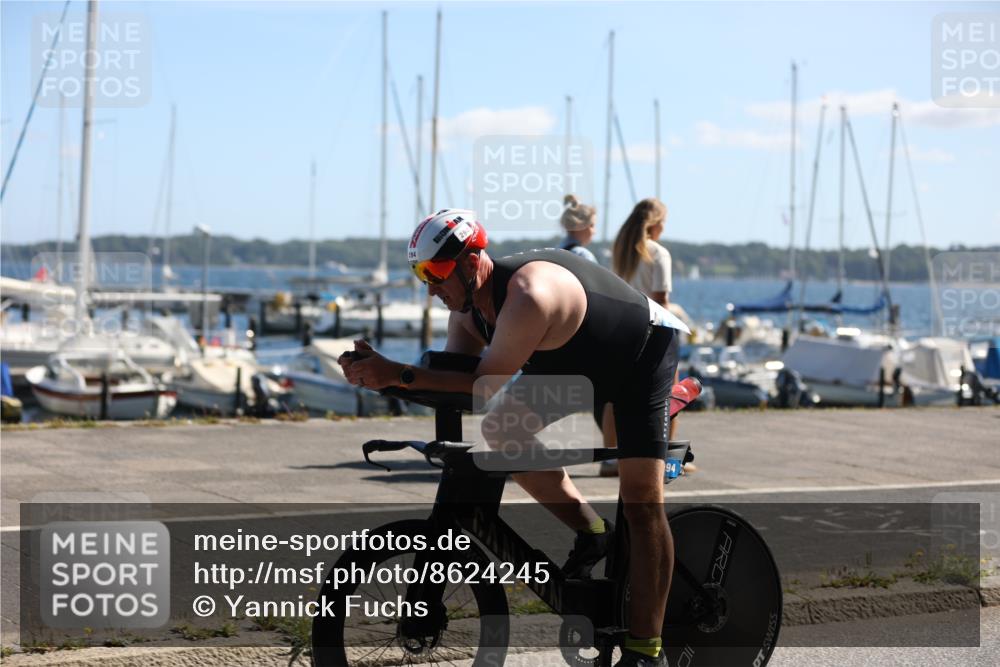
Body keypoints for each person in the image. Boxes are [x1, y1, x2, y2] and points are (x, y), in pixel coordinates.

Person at [340, 209, 689, 667]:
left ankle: (646, 650)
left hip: (641, 355)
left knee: (642, 500)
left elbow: (481, 384)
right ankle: (594, 531)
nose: (429, 286)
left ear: (470, 262)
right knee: (501, 431)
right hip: (575, 361)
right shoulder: (467, 313)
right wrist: (378, 376)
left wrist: (399, 374)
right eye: (420, 273)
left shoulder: (527, 296)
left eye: (436, 272)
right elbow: (451, 384)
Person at [600, 198, 679, 478]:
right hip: (654, 331)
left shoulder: (620, 252)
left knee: (615, 397)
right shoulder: (659, 254)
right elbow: (661, 300)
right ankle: (666, 458)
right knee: (668, 395)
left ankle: (610, 457)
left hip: (622, 329)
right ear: (656, 224)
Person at [558, 194, 598, 263]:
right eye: (592, 226)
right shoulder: (583, 255)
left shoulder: (556, 252)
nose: (595, 231)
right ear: (579, 226)